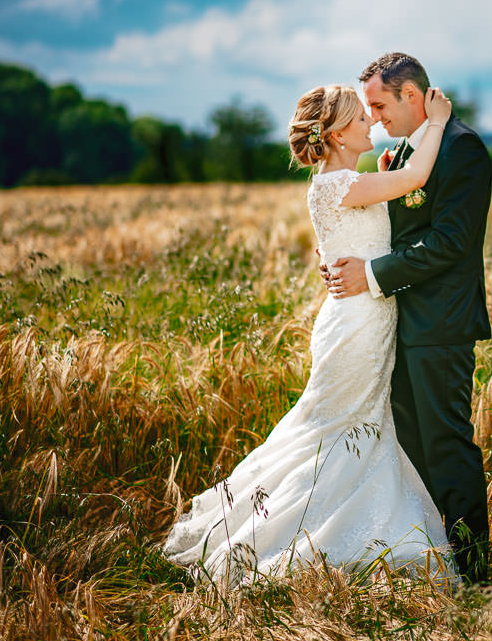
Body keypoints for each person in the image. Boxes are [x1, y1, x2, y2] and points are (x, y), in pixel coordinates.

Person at [162, 83, 456, 587]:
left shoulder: (341, 181)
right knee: (336, 428)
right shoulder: (340, 184)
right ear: (338, 134)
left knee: (351, 425)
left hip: (363, 317)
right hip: (356, 326)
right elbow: (417, 177)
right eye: (360, 118)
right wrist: (437, 122)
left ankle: (340, 527)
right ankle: (284, 537)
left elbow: (353, 233)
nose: (371, 122)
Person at [322, 52, 492, 584]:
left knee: (445, 442)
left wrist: (371, 274)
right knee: (408, 446)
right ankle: (432, 558)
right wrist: (341, 260)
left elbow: (450, 242)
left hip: (440, 324)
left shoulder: (460, 148)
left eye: (379, 105)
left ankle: (474, 570)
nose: (374, 118)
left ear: (411, 95)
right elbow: (382, 230)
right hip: (388, 323)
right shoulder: (396, 155)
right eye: (367, 109)